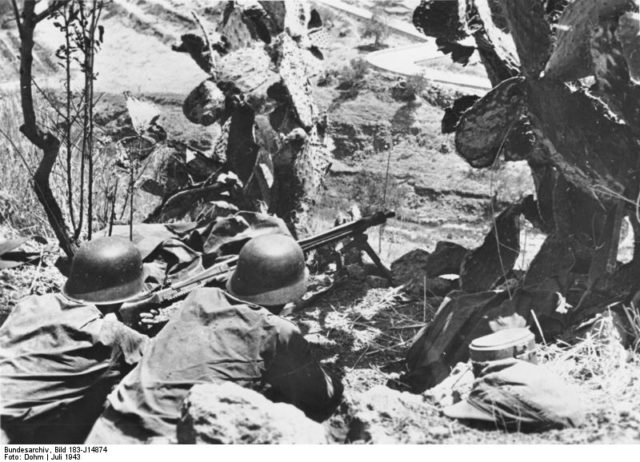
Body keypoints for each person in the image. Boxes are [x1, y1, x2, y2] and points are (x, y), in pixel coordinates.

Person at [85, 233, 343, 443]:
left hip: (104, 434)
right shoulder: (277, 331)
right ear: (291, 291)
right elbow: (322, 397)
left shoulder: (200, 297)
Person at [0, 237, 151, 444]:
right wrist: (125, 326)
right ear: (123, 292)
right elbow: (158, 357)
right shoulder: (110, 335)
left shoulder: (29, 304)